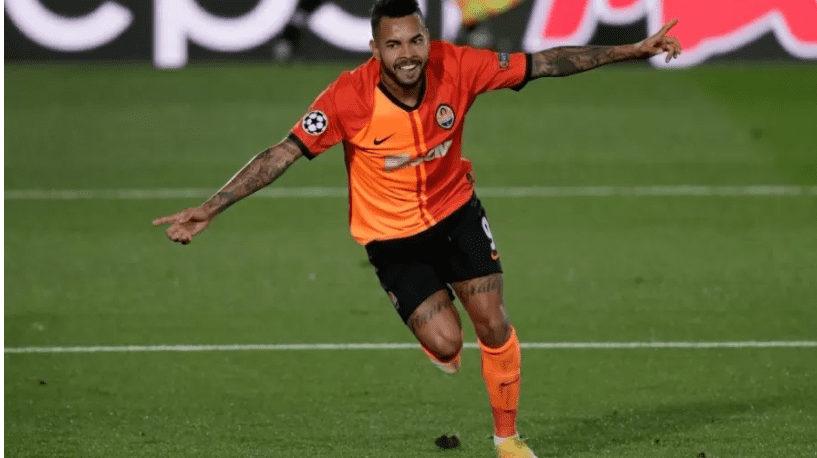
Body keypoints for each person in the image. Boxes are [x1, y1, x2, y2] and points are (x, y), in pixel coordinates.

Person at [153, 0, 681, 456]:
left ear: (428, 37)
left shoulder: (459, 65)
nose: (407, 54)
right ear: (374, 49)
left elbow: (544, 62)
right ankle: (437, 337)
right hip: (391, 238)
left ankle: (508, 440)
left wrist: (632, 50)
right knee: (448, 344)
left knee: (494, 323)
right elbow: (282, 153)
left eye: (415, 41)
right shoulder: (347, 98)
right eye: (393, 45)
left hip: (457, 213)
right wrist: (213, 206)